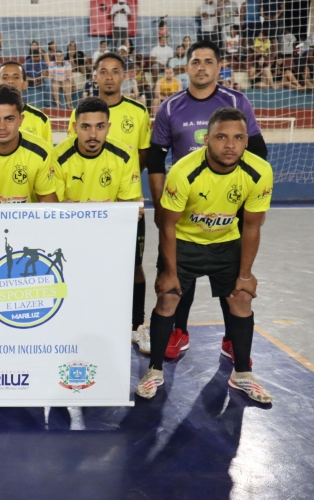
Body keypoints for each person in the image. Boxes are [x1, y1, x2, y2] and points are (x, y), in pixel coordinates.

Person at [137, 107, 274, 404]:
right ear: (206, 139)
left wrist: (245, 275)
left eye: (238, 138)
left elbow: (252, 227)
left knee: (242, 298)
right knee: (168, 297)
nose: (230, 145)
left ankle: (242, 374)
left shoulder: (259, 171)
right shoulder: (184, 171)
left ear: (246, 141)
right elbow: (168, 225)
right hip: (185, 242)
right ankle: (155, 370)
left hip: (227, 243)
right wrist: (169, 272)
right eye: (221, 137)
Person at [146, 40, 268, 361]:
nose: (202, 66)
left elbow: (257, 152)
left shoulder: (236, 101)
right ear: (186, 67)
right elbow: (157, 161)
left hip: (226, 208)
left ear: (218, 67)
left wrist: (242, 202)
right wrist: (160, 205)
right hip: (182, 205)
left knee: (229, 277)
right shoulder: (170, 107)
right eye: (196, 61)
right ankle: (177, 330)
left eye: (208, 61)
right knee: (175, 276)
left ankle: (231, 339)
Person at [67, 52, 152, 350]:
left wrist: (121, 181)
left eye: (115, 71)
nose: (109, 76)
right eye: (103, 71)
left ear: (124, 75)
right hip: (84, 209)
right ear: (95, 75)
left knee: (132, 266)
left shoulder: (138, 113)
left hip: (121, 198)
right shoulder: (78, 118)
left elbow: (143, 154)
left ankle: (136, 324)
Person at [55, 96, 141, 203]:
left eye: (100, 127)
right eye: (86, 127)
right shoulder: (56, 158)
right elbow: (54, 209)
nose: (93, 135)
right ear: (75, 127)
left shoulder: (125, 156)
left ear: (108, 128)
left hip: (110, 220)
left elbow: (125, 208)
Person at [0, 61, 52, 143]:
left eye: (16, 77)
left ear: (25, 84)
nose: (10, 81)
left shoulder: (41, 119)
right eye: (5, 78)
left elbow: (48, 153)